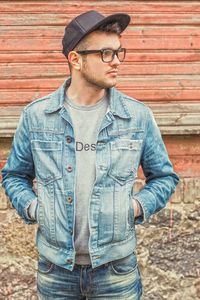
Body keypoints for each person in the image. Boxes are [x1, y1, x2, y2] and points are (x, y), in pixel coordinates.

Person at [1, 10, 179, 299]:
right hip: (55, 271)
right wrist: (35, 209)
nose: (117, 61)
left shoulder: (137, 117)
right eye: (106, 53)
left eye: (119, 51)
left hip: (117, 271)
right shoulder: (37, 117)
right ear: (76, 60)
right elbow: (14, 175)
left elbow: (164, 177)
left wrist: (133, 208)